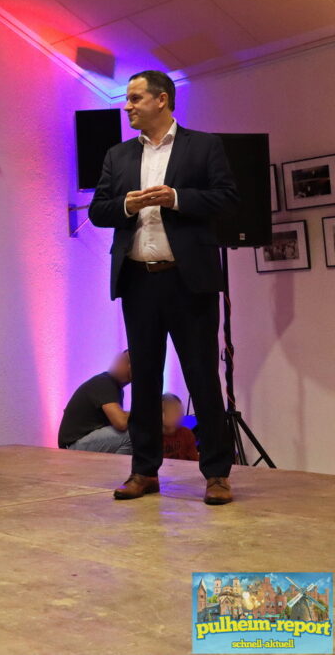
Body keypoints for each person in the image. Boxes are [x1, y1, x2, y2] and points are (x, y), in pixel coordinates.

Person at [89, 70, 239, 505]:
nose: (128, 106)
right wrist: (125, 205)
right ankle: (144, 471)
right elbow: (99, 210)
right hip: (139, 282)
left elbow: (228, 198)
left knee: (202, 378)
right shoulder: (117, 156)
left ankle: (216, 474)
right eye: (127, 100)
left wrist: (176, 198)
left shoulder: (204, 146)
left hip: (188, 281)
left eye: (135, 98)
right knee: (146, 379)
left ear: (162, 100)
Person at [58, 351, 132, 453]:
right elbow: (121, 423)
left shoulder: (116, 388)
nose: (118, 363)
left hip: (82, 443)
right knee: (131, 433)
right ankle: (115, 468)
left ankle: (113, 467)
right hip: (73, 447)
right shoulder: (105, 383)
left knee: (135, 432)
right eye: (123, 360)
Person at [162, 393, 199, 461]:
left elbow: (194, 461)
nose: (170, 414)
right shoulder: (151, 436)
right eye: (166, 410)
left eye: (175, 410)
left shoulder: (187, 434)